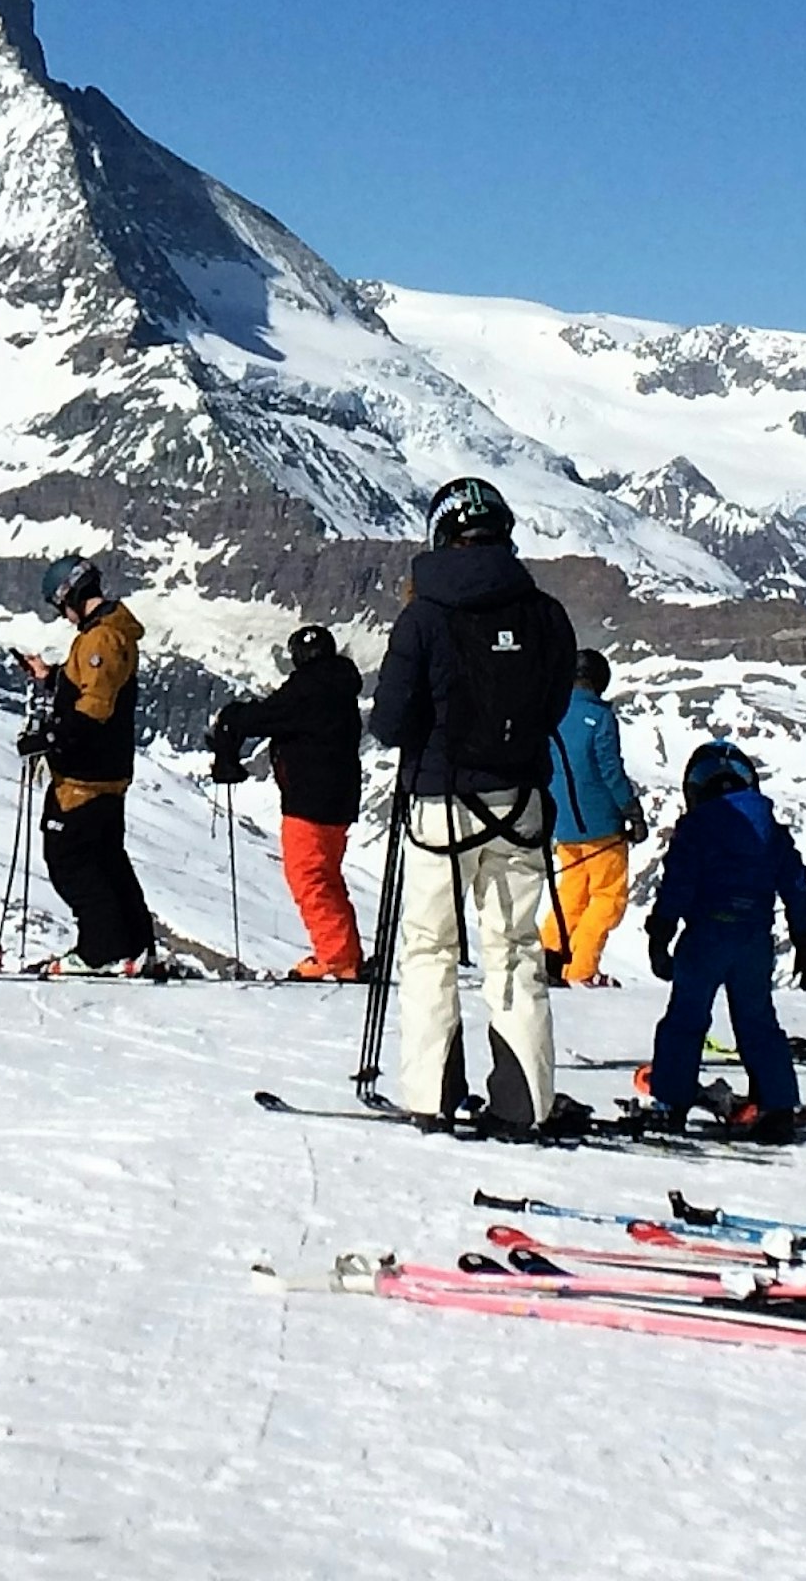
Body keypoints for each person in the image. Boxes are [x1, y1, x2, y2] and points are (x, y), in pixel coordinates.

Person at [367, 480, 579, 1130]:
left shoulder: (424, 615)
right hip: (519, 802)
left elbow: (391, 721)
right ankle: (527, 1103)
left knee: (431, 947)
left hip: (440, 802)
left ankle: (431, 1096)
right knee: (514, 947)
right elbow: (554, 706)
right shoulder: (543, 612)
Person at [642, 740, 806, 1140]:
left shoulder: (697, 826)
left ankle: (671, 1103)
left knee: (686, 1020)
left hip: (705, 935)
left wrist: (661, 932)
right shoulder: (770, 829)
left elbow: (678, 885)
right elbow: (795, 886)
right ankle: (777, 1105)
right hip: (754, 939)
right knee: (758, 1021)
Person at [23, 552, 157, 974]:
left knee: (70, 863)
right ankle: (135, 945)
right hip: (106, 772)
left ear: (71, 596)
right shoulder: (108, 633)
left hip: (85, 775)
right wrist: (51, 679)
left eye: (60, 606)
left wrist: (49, 738)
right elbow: (88, 681)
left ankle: (101, 950)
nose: (62, 616)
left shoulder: (100, 639)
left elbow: (95, 706)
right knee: (107, 860)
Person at [211, 623, 365, 980]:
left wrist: (232, 716)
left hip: (308, 800)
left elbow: (266, 716)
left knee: (308, 877)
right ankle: (344, 954)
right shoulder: (342, 687)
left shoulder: (306, 687)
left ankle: (336, 958)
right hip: (339, 800)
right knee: (327, 876)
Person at [541, 650, 649, 986]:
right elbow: (609, 769)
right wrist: (631, 811)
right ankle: (581, 970)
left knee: (571, 892)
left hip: (564, 823)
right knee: (607, 897)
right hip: (601, 824)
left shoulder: (552, 713)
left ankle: (548, 956)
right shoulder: (600, 717)